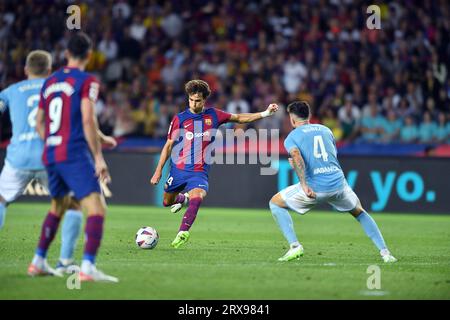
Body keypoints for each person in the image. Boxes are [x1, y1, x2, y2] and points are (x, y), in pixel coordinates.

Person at [0, 50, 116, 274]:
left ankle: (41, 261)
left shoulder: (11, 91)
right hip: (53, 154)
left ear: (25, 69)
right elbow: (84, 118)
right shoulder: (56, 85)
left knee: (1, 199)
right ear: (49, 69)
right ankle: (65, 261)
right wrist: (101, 141)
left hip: (17, 157)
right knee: (72, 205)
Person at [27, 32, 117, 282]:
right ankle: (88, 268)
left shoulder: (50, 81)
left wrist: (54, 144)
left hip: (52, 153)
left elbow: (39, 123)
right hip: (74, 153)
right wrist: (98, 157)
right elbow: (87, 117)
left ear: (67, 54)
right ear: (89, 55)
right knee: (96, 208)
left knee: (58, 206)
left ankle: (38, 262)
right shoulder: (88, 81)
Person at [150, 79, 278, 248]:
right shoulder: (180, 119)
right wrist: (158, 171)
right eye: (191, 100)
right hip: (179, 170)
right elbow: (168, 146)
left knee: (198, 196)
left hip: (199, 171)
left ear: (204, 100)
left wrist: (265, 113)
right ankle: (182, 198)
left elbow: (239, 118)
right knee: (167, 201)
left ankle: (183, 232)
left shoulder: (214, 115)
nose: (194, 104)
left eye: (198, 100)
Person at [269, 101, 397, 263]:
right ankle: (386, 254)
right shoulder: (326, 130)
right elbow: (329, 157)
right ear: (309, 116)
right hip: (338, 184)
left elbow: (296, 155)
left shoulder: (292, 137)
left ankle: (295, 246)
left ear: (292, 119)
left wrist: (303, 184)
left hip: (316, 188)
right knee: (360, 213)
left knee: (275, 203)